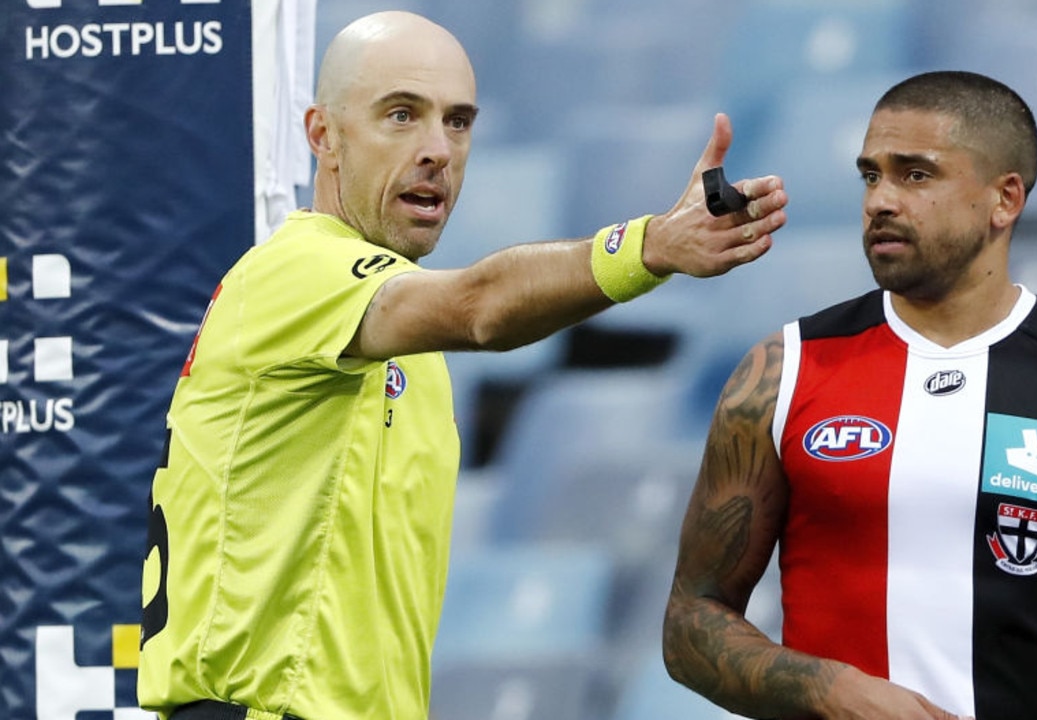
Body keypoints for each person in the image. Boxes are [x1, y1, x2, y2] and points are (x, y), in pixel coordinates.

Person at [135, 10, 788, 720]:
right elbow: (481, 306)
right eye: (400, 116)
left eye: (458, 122)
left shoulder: (403, 349)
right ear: (322, 135)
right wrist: (651, 246)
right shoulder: (298, 271)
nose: (437, 149)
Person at [661, 70, 1037, 720]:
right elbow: (691, 626)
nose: (881, 200)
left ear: (1005, 200)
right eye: (870, 175)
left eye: (915, 175)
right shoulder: (784, 370)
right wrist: (833, 692)